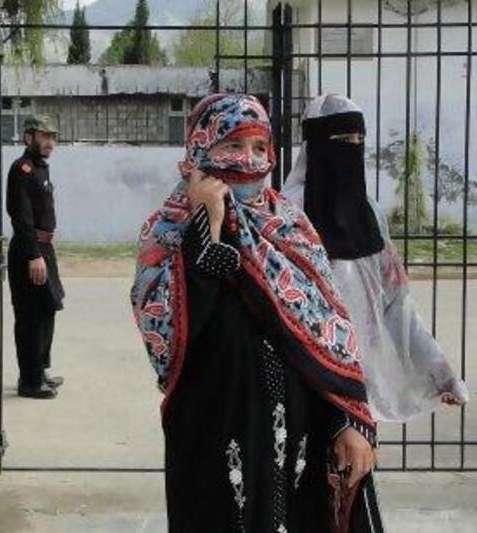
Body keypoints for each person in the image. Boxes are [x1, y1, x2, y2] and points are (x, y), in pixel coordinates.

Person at [131, 94, 383, 532]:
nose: (248, 160)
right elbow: (168, 340)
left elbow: (332, 334)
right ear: (200, 150)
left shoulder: (292, 226)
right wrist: (206, 222)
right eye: (232, 145)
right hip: (216, 436)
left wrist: (350, 419)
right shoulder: (167, 230)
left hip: (303, 441)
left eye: (260, 148)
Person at [283, 94, 469, 422]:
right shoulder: (288, 215)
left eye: (358, 140)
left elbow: (397, 304)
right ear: (315, 144)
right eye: (342, 140)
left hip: (360, 384)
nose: (351, 148)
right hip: (303, 377)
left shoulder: (369, 213)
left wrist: (440, 372)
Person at [6, 115, 65, 399]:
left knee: (46, 310)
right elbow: (21, 216)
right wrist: (33, 255)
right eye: (45, 136)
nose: (50, 142)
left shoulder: (40, 169)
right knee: (30, 316)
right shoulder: (22, 169)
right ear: (28, 137)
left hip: (44, 249)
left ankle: (39, 370)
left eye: (53, 137)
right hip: (30, 251)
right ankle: (28, 381)